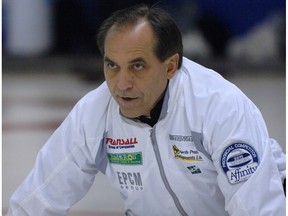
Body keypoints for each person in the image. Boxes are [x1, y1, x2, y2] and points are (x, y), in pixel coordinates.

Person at [7, 4, 285, 216]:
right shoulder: (94, 113)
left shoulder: (219, 106)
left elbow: (258, 207)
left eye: (137, 66)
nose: (121, 84)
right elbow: (36, 201)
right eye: (112, 65)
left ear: (170, 66)